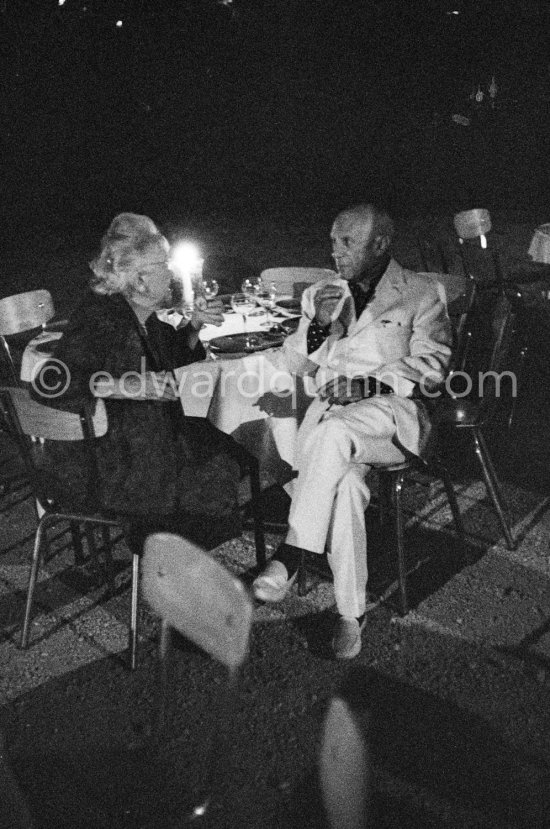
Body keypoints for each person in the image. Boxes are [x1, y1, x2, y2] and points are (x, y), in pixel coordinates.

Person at [252, 203, 452, 658]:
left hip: (392, 412)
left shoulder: (421, 292)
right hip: (330, 416)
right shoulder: (323, 294)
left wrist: (370, 382)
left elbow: (435, 366)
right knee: (345, 490)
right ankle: (350, 616)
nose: (335, 252)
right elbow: (296, 365)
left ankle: (292, 553)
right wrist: (318, 328)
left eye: (347, 242)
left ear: (380, 245)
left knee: (331, 438)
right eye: (333, 241)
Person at [35, 212, 243, 548]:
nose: (172, 271)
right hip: (106, 470)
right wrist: (121, 385)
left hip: (132, 451)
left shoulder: (135, 312)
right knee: (226, 461)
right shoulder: (104, 318)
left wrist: (194, 325)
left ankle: (168, 550)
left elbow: (169, 353)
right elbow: (48, 383)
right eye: (164, 263)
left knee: (223, 444)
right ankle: (166, 556)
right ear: (141, 280)